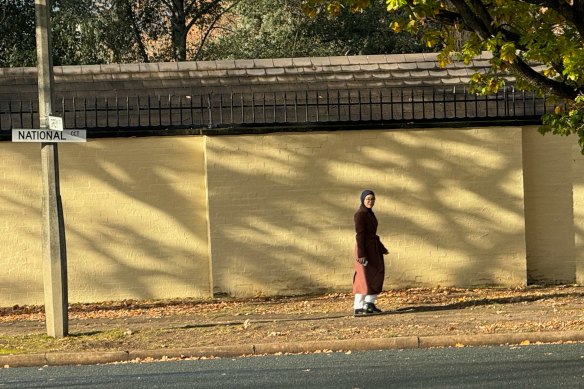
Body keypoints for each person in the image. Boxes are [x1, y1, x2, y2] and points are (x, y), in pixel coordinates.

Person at [353, 189, 389, 316]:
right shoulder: (360, 214)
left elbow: (373, 234)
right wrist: (361, 254)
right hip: (364, 248)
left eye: (372, 199)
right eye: (368, 199)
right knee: (363, 277)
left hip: (373, 247)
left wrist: (381, 247)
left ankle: (369, 303)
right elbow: (360, 235)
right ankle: (358, 306)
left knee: (376, 274)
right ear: (363, 200)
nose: (370, 201)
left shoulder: (369, 213)